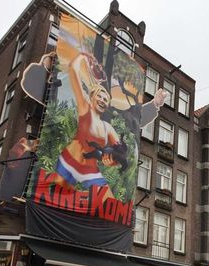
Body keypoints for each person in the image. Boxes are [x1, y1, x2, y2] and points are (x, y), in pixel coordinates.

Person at [54, 52, 167, 195]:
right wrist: (82, 56)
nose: (102, 99)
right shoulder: (84, 108)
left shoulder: (108, 127)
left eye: (105, 98)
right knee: (55, 200)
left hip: (90, 171)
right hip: (67, 163)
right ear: (92, 98)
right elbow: (73, 71)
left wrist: (113, 161)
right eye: (99, 96)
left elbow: (121, 152)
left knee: (108, 202)